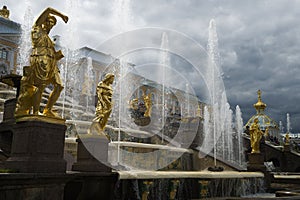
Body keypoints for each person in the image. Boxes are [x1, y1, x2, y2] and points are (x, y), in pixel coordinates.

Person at [29, 7, 68, 117]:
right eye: (49, 22)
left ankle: (48, 110)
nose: (50, 25)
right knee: (40, 86)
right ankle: (35, 112)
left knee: (59, 86)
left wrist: (59, 55)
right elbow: (48, 9)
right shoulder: (37, 29)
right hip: (40, 60)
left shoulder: (49, 40)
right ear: (43, 22)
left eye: (52, 23)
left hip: (52, 64)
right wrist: (62, 16)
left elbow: (53, 55)